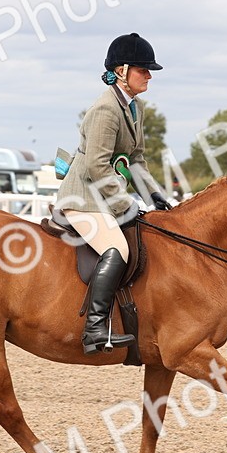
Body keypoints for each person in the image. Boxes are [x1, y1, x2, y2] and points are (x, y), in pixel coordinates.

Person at [55, 32, 171, 354]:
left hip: (102, 198)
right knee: (117, 248)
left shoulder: (135, 107)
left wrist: (153, 195)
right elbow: (96, 166)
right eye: (143, 69)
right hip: (82, 199)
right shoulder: (105, 110)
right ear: (121, 70)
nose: (149, 75)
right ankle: (94, 329)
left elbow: (136, 158)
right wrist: (125, 204)